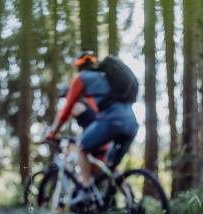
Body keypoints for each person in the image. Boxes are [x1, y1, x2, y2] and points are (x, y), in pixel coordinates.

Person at [46, 51, 138, 188]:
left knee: (82, 149)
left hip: (111, 122)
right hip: (132, 123)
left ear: (77, 66)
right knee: (111, 170)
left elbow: (65, 111)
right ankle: (131, 203)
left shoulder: (82, 78)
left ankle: (87, 191)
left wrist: (52, 133)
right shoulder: (107, 78)